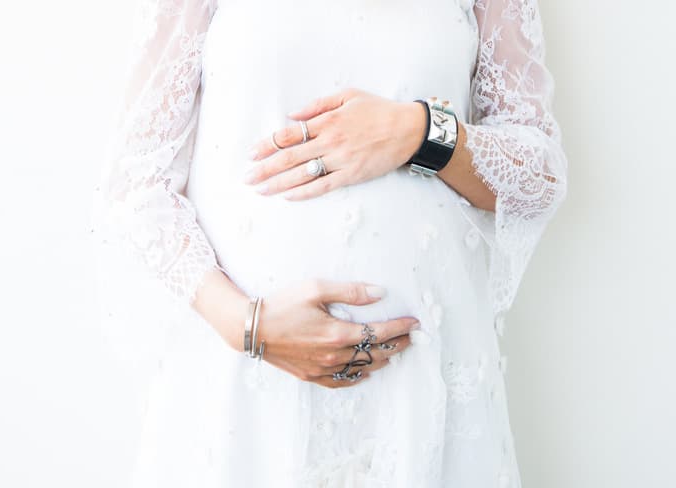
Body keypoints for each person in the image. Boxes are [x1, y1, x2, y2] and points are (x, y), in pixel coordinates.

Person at [92, 0, 568, 486]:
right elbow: (138, 183)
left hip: (425, 381)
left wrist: (419, 132)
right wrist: (245, 325)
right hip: (246, 383)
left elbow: (539, 178)